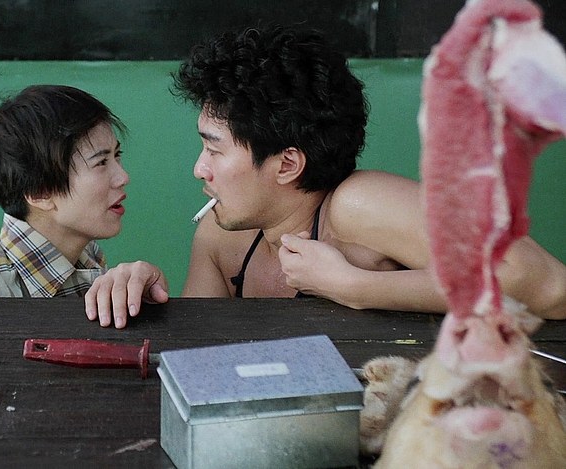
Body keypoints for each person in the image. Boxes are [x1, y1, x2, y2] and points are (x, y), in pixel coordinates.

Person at [85, 24, 566, 327]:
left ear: (287, 164)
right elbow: (198, 358)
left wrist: (355, 287)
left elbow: (547, 285)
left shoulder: (356, 205)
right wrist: (148, 294)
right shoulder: (220, 234)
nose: (199, 168)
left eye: (214, 148)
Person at [0, 85, 164, 299]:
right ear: (40, 193)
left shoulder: (89, 259)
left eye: (117, 155)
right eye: (101, 162)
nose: (123, 177)